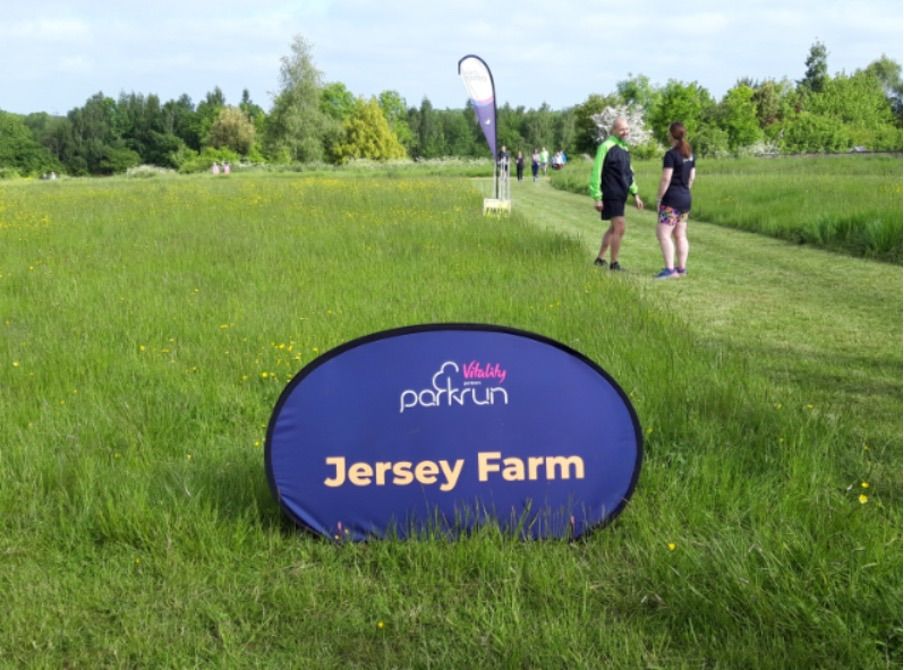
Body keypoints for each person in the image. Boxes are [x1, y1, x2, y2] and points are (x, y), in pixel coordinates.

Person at [588, 117, 644, 271]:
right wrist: (597, 197)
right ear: (613, 130)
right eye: (622, 129)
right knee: (620, 227)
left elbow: (628, 174)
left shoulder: (625, 149)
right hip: (610, 192)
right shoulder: (605, 146)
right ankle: (614, 264)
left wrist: (636, 194)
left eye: (627, 129)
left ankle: (600, 259)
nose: (625, 132)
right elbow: (596, 172)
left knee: (613, 228)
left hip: (621, 194)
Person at [653, 122, 696, 279]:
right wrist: (685, 191)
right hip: (685, 199)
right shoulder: (690, 154)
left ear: (671, 135)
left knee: (663, 234)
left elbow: (666, 178)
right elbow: (692, 177)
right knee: (680, 235)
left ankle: (670, 270)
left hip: (671, 200)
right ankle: (682, 268)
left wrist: (659, 198)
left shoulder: (671, 155)